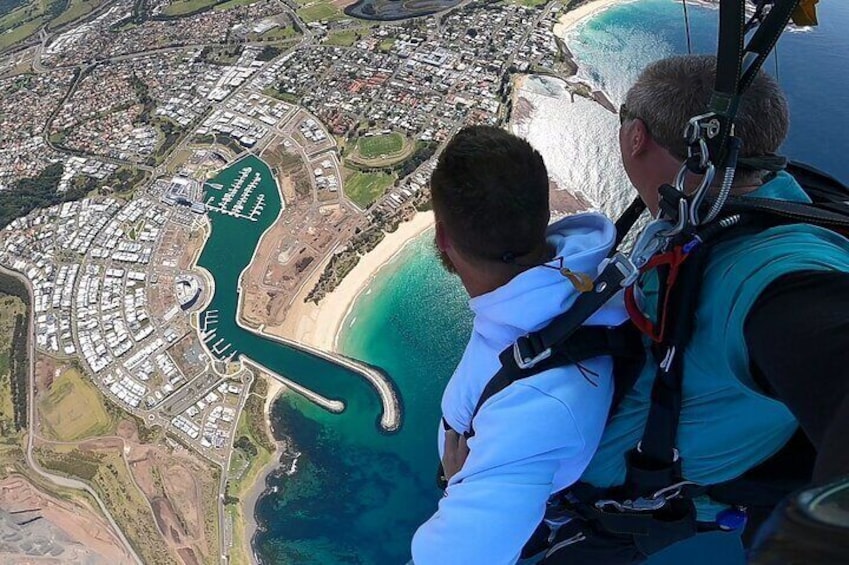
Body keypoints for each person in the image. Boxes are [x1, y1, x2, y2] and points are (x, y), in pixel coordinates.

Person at [542, 54, 849, 563]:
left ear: (634, 136)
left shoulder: (768, 275)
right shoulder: (713, 209)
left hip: (632, 507)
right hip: (634, 489)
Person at [409, 125, 632, 564]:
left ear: (442, 239)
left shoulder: (532, 408)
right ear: (542, 216)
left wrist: (462, 482)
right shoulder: (583, 284)